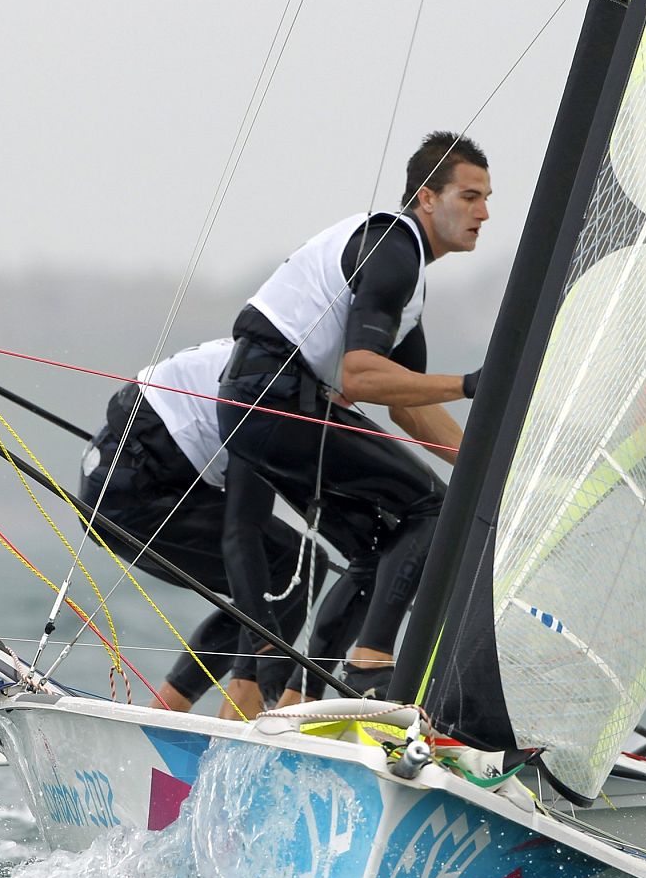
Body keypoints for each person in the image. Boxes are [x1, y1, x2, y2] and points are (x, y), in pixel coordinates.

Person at [216, 131, 488, 697]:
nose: (483, 213)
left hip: (260, 404)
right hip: (269, 400)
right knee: (431, 508)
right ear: (427, 198)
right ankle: (370, 667)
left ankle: (298, 699)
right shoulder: (392, 249)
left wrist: (489, 476)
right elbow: (361, 376)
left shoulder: (404, 270)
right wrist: (468, 385)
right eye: (469, 196)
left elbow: (405, 406)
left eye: (487, 199)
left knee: (376, 545)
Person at [79, 339, 331, 718]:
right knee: (289, 566)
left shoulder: (269, 355)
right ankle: (234, 720)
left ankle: (164, 717)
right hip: (133, 490)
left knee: (284, 569)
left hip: (123, 477)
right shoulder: (272, 383)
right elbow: (241, 533)